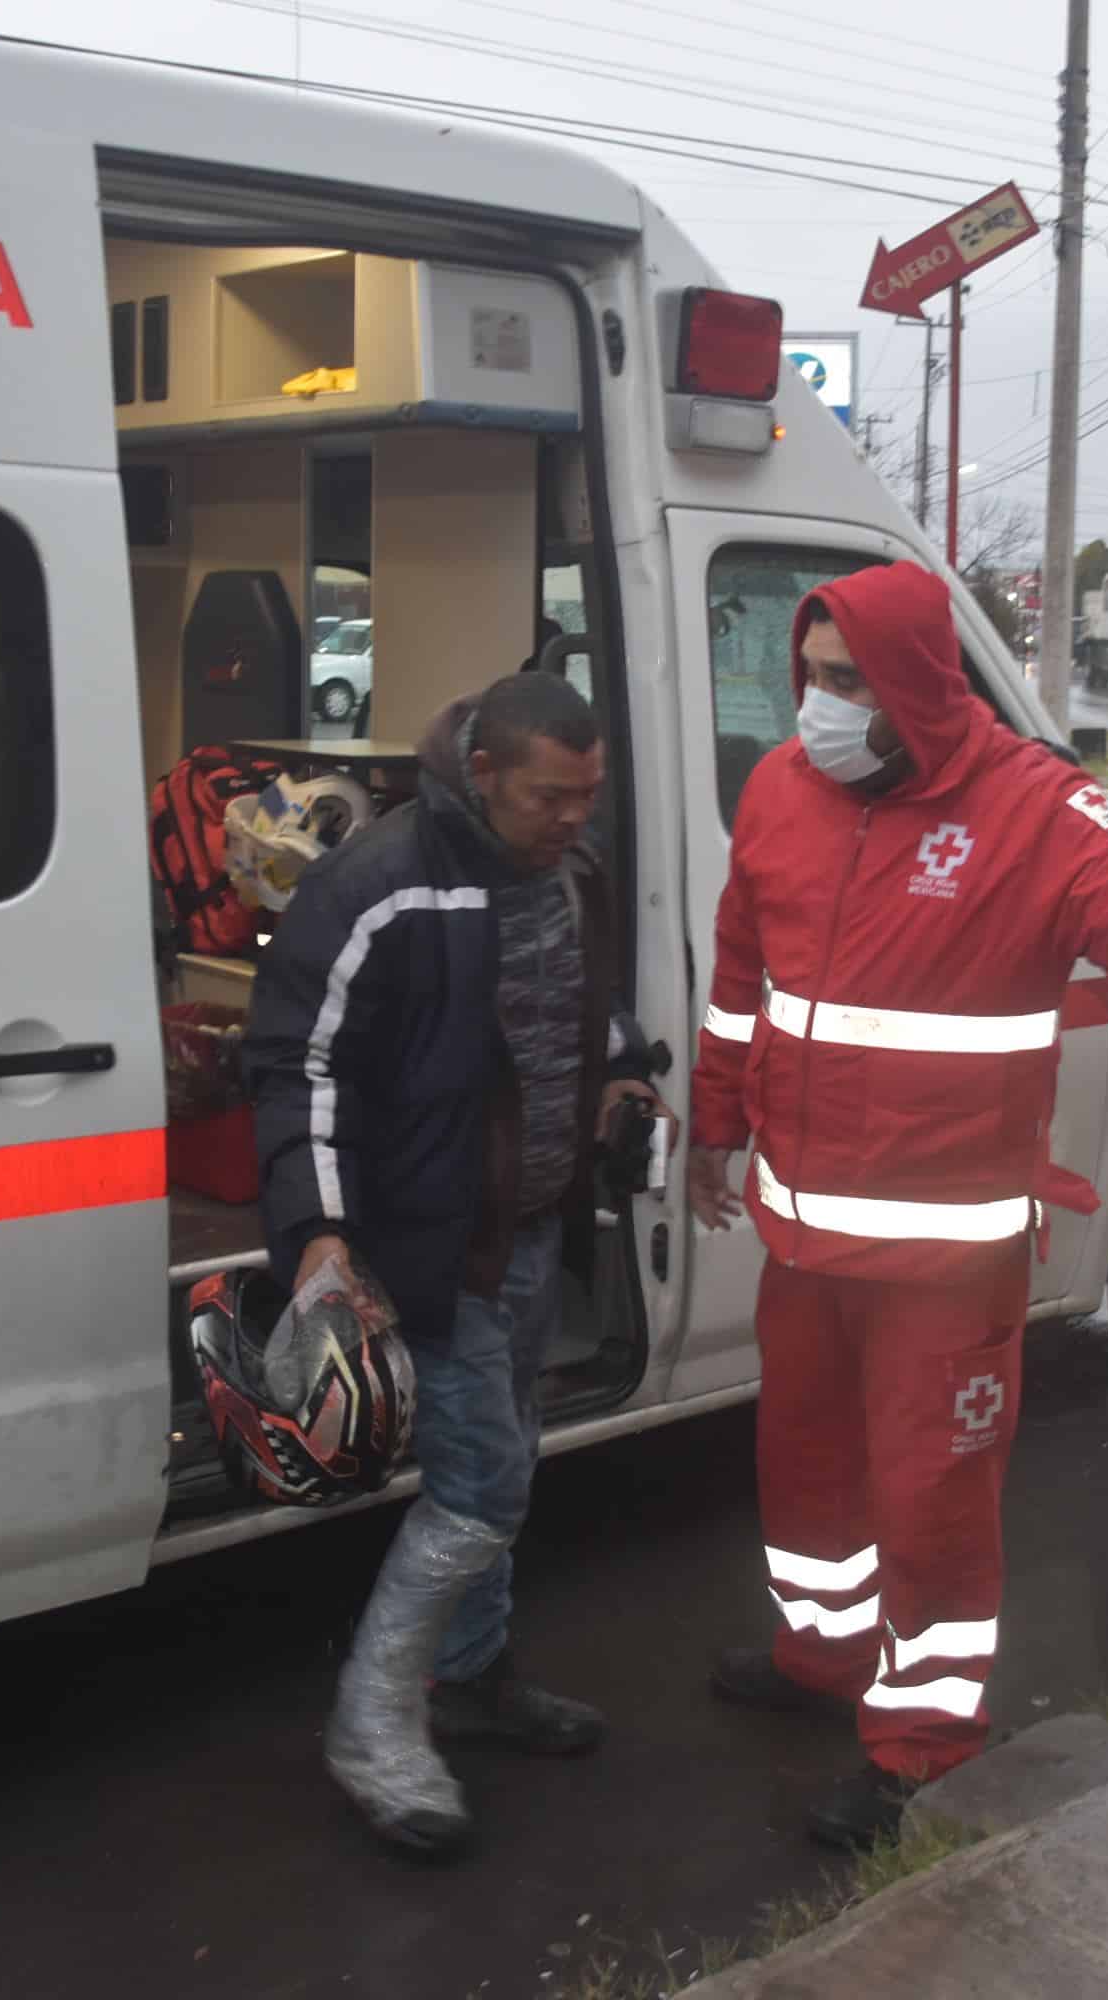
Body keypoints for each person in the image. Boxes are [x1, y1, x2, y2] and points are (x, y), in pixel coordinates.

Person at [685, 561, 1108, 1849]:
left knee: (933, 1505)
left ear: (911, 684)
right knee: (807, 1468)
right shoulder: (783, 790)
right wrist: (714, 1121)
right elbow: (743, 977)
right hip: (805, 1236)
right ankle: (819, 1654)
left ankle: (921, 1745)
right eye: (809, 676)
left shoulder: (1033, 811)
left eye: (845, 681)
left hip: (944, 1264)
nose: (817, 707)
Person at [244, 670, 667, 1859]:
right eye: (551, 796)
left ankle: (473, 1679)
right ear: (481, 773)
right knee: (480, 1484)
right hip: (428, 1238)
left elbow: (586, 1009)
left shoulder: (566, 873)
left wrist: (625, 1073)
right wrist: (323, 1229)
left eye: (589, 795)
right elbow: (296, 1064)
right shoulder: (379, 885)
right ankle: (373, 1724)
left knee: (508, 1456)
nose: (575, 817)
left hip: (532, 1224)